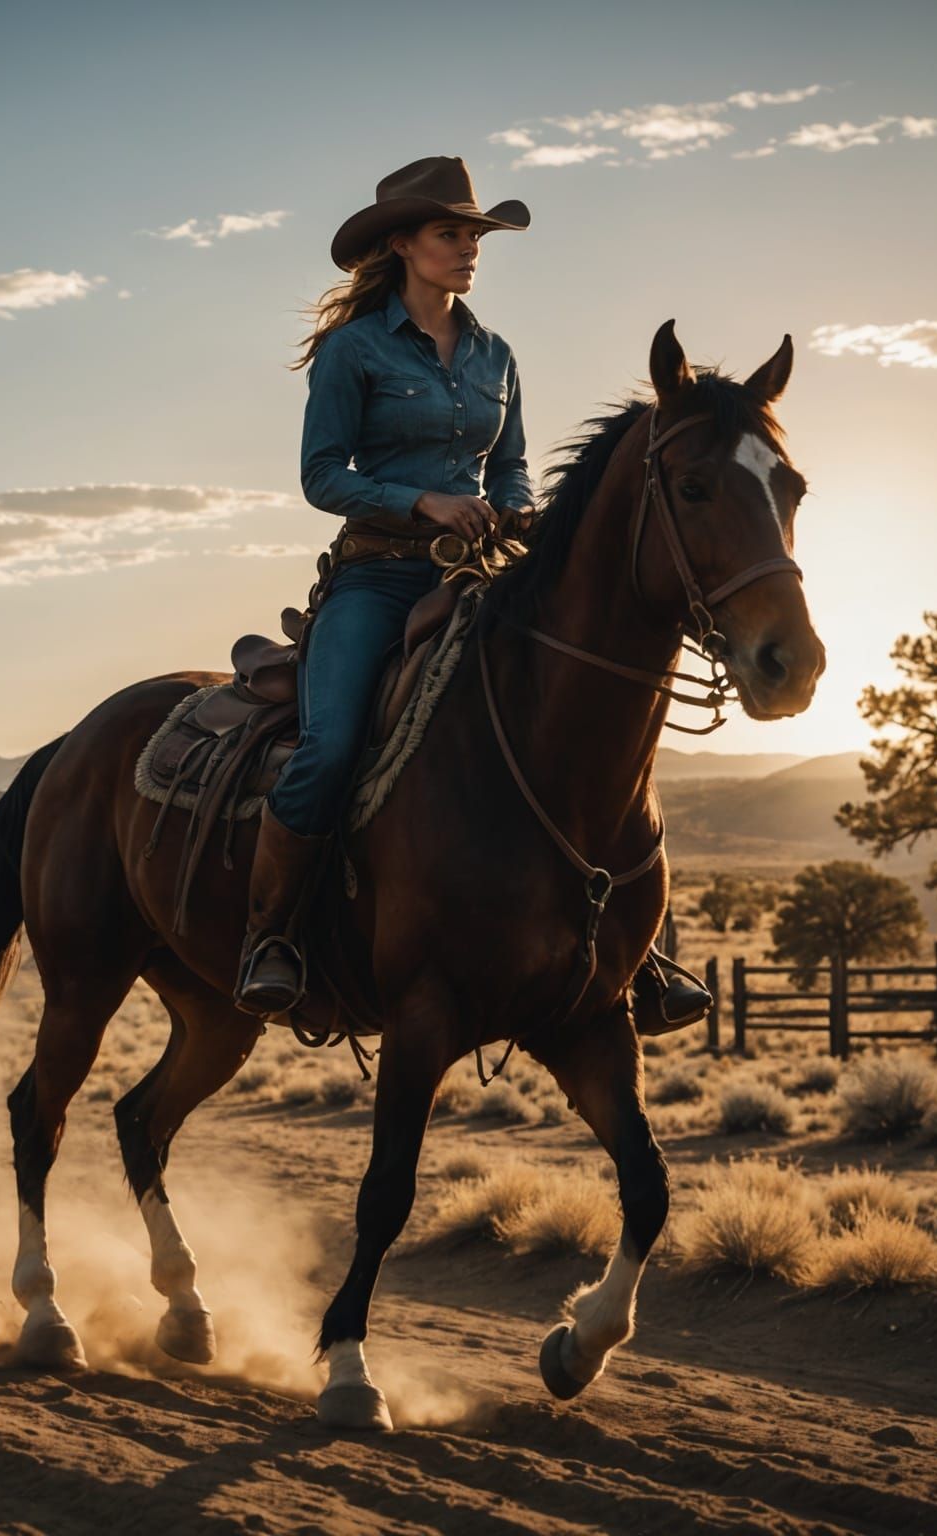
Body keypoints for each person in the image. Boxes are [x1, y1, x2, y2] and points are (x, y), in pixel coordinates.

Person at [232, 155, 710, 1034]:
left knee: (584, 732)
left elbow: (515, 463)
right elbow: (320, 475)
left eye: (476, 235)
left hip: (482, 576)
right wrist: (422, 499)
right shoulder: (355, 350)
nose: (469, 248)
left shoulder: (496, 354)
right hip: (377, 575)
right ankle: (274, 937)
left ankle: (631, 954)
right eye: (452, 233)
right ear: (403, 245)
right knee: (333, 744)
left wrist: (520, 507)